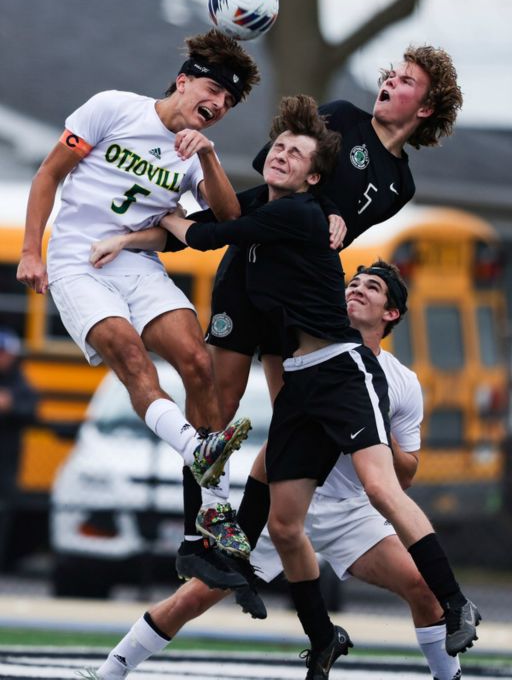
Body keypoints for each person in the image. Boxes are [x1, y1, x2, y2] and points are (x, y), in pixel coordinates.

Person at [159, 94, 480, 675]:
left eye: (407, 79)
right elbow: (236, 212)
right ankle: (310, 627)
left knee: (382, 490)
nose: (390, 82)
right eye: (278, 148)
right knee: (281, 517)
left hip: (335, 372)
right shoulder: (300, 185)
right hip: (303, 376)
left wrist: (159, 218)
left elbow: (209, 233)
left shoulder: (309, 212)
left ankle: (456, 603)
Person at [81, 260, 462, 680]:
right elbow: (279, 413)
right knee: (194, 597)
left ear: (392, 314)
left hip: (347, 508)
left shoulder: (400, 381)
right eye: (352, 283)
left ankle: (449, 676)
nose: (356, 290)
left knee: (424, 590)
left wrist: (367, 431)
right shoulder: (302, 349)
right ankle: (109, 671)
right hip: (285, 498)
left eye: (372, 287)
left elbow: (405, 474)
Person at [16, 28, 261, 592]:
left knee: (197, 364)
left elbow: (224, 222)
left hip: (134, 261)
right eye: (214, 91)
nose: (220, 104)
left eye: (229, 102)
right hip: (78, 258)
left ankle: (210, 513)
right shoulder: (113, 109)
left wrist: (211, 159)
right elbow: (49, 173)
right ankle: (197, 447)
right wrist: (33, 250)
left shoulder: (196, 152)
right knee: (131, 356)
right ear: (183, 81)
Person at [0, 328, 39, 570]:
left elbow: (31, 409)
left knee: (4, 511)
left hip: (6, 463)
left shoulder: (18, 380)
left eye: (3, 353)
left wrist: (10, 404)